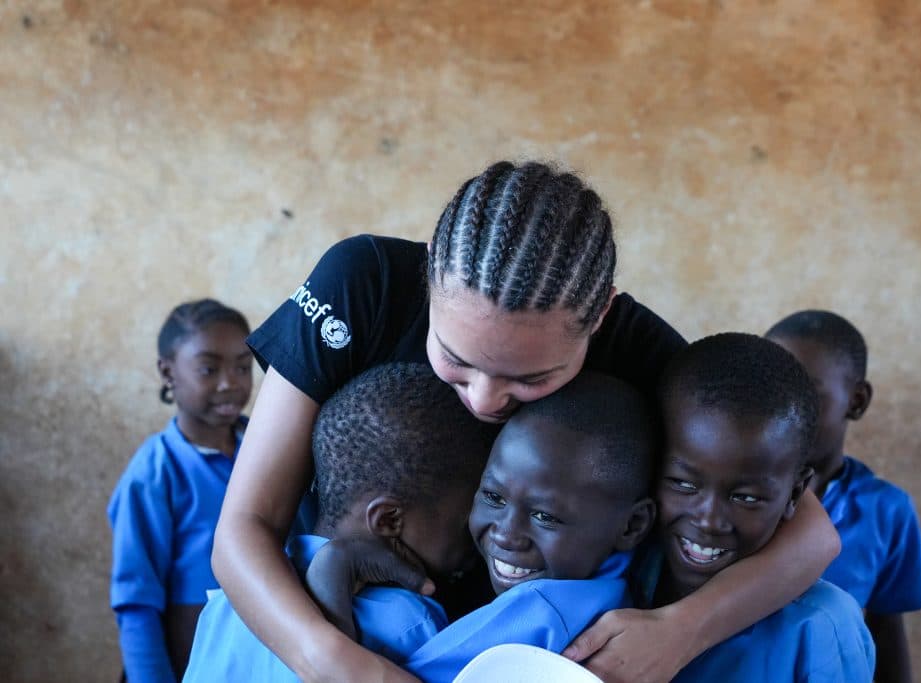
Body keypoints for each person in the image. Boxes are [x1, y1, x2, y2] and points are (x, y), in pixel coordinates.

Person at [212, 160, 840, 683]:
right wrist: (332, 661)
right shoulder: (365, 283)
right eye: (455, 360)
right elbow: (244, 525)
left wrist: (679, 632)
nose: (485, 399)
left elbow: (812, 534)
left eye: (532, 379)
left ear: (599, 319)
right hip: (334, 617)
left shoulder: (639, 352)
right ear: (430, 274)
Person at [183, 363, 500, 681]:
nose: (477, 535)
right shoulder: (409, 622)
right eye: (465, 521)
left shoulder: (226, 607)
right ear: (389, 520)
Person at [639, 333, 875, 681]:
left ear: (794, 494)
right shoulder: (615, 576)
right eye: (684, 484)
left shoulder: (821, 628)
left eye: (746, 497)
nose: (709, 519)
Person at [398, 371, 656, 681]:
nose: (506, 533)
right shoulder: (608, 584)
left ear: (632, 526)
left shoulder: (540, 614)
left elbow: (401, 674)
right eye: (493, 497)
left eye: (545, 517)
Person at [766, 310, 921, 683]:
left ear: (856, 401)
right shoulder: (740, 498)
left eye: (809, 393)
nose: (785, 410)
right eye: (771, 390)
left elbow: (886, 628)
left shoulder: (887, 510)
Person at [108, 299, 253, 681]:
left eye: (243, 366)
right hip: (189, 660)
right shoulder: (154, 473)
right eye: (209, 368)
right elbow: (137, 603)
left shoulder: (266, 448)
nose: (231, 383)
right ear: (167, 371)